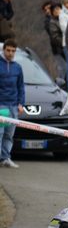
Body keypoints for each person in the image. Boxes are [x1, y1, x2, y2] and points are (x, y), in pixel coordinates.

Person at [0, 39, 24, 168]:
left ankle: (5, 158)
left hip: (13, 106)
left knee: (9, 134)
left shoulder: (18, 67)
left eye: (13, 51)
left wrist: (21, 103)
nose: (10, 53)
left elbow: (21, 87)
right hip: (1, 105)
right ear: (4, 50)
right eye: (8, 50)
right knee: (0, 133)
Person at [48, 3, 66, 83]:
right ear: (52, 12)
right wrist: (65, 42)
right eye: (55, 10)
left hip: (66, 48)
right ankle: (61, 85)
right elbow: (55, 37)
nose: (57, 11)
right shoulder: (52, 22)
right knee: (63, 68)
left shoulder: (65, 19)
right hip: (58, 49)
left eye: (59, 8)